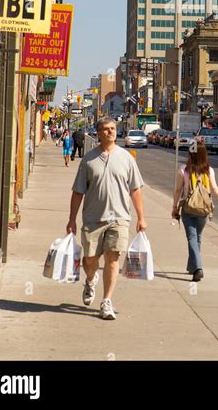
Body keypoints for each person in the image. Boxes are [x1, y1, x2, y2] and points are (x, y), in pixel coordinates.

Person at [66, 116, 147, 320]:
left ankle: (106, 301)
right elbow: (78, 192)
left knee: (113, 257)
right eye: (105, 129)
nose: (110, 132)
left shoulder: (127, 158)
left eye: (113, 128)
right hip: (93, 218)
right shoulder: (89, 159)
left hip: (119, 218)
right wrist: (71, 219)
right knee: (90, 259)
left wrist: (141, 217)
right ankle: (90, 280)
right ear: (98, 133)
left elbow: (135, 189)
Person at [171, 140, 218, 282]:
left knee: (192, 238)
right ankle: (193, 268)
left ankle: (198, 268)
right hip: (204, 209)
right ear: (204, 155)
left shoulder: (183, 170)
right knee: (197, 238)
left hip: (188, 208)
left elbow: (178, 190)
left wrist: (174, 207)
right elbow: (214, 188)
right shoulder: (209, 170)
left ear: (191, 153)